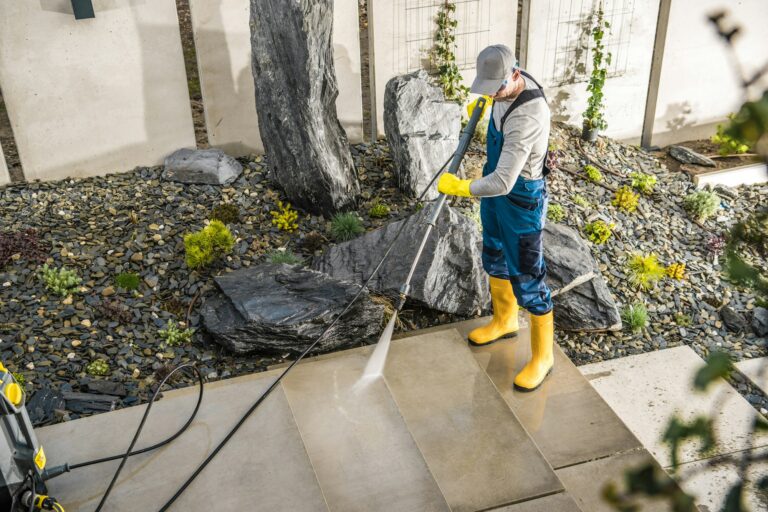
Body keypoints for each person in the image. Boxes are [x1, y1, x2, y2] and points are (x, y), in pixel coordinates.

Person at [437, 44, 554, 392]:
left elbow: (503, 182)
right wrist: (487, 102)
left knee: (528, 275)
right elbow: (497, 175)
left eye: (496, 89)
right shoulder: (504, 86)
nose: (493, 94)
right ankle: (505, 320)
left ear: (514, 75)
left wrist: (460, 187)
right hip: (496, 185)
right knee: (494, 252)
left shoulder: (527, 116)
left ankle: (543, 357)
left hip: (519, 197)